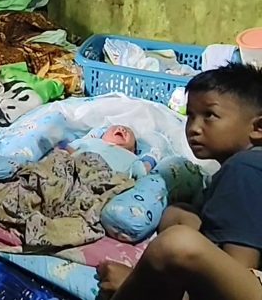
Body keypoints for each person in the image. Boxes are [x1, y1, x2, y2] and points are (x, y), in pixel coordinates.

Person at [97, 63, 262, 300]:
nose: (194, 128)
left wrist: (138, 284)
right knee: (178, 215)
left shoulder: (244, 168)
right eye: (190, 116)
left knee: (177, 244)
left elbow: (241, 269)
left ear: (258, 127)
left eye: (209, 116)